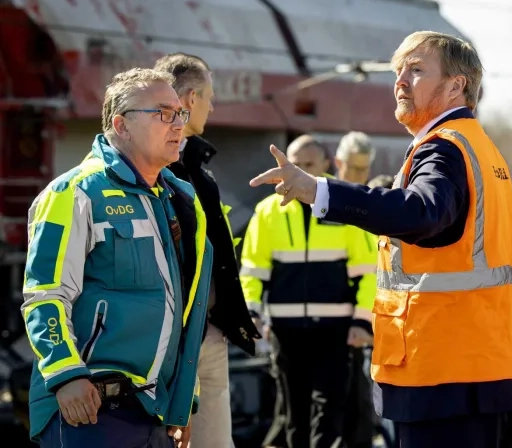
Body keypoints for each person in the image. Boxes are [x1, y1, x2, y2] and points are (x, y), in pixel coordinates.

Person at [249, 30, 512, 448]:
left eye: (416, 71)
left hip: (447, 375)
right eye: (398, 71)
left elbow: (421, 213)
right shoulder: (482, 151)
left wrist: (320, 190)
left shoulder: (444, 149)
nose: (399, 81)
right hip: (484, 369)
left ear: (457, 86)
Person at [21, 68, 213, 447]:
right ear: (121, 125)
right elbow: (45, 294)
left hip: (154, 412)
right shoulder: (74, 192)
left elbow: (185, 311)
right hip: (88, 411)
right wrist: (66, 375)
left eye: (180, 113)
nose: (178, 124)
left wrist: (182, 400)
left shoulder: (179, 199)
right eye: (163, 113)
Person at [239, 135, 376, 448]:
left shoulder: (343, 207)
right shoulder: (267, 212)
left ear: (327, 165)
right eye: (294, 164)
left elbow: (368, 272)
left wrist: (361, 322)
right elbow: (252, 271)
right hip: (287, 333)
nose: (298, 171)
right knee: (294, 418)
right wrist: (253, 314)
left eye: (308, 165)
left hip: (337, 333)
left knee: (329, 418)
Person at [153, 52, 262, 448]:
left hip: (208, 331)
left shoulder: (198, 169)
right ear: (192, 97)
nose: (213, 106)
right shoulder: (154, 171)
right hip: (173, 338)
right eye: (210, 97)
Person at [333, 132, 379, 448]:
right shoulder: (324, 201)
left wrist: (362, 322)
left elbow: (372, 273)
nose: (360, 175)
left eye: (364, 169)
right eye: (354, 167)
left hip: (353, 330)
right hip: (320, 325)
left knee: (358, 412)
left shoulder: (367, 205)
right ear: (339, 163)